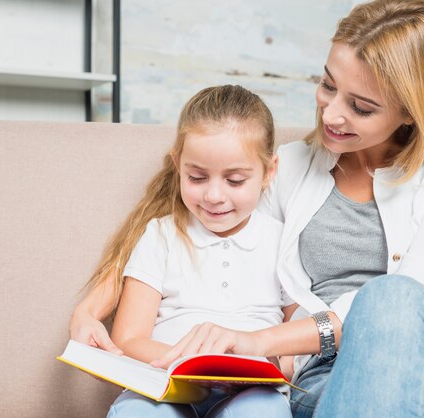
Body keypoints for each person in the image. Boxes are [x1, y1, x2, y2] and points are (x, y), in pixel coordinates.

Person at [146, 1, 424, 417]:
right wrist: (90, 311)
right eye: (328, 85)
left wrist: (261, 340)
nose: (330, 113)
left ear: (410, 111)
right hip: (329, 379)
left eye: (361, 107)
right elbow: (193, 231)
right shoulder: (288, 167)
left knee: (390, 298)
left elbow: (422, 294)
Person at [72, 84, 295, 418]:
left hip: (253, 391)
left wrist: (281, 366)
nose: (214, 196)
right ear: (178, 165)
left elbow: (294, 342)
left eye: (235, 180)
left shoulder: (283, 240)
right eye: (197, 177)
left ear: (269, 172)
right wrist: (185, 364)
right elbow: (129, 337)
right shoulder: (161, 235)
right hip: (164, 385)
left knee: (260, 413)